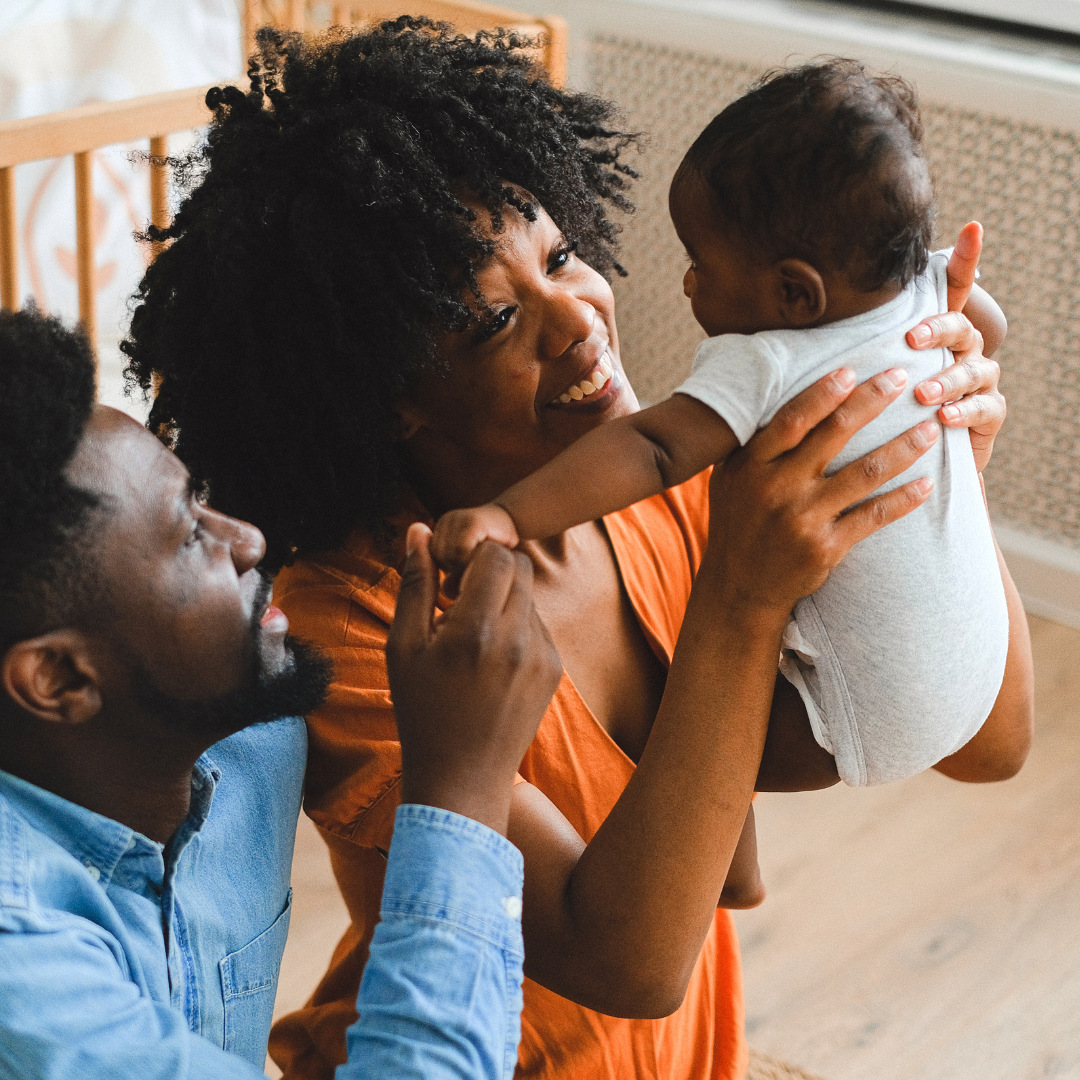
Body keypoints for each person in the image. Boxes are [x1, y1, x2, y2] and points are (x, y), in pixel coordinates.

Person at [120, 21, 1032, 1080]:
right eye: (495, 322)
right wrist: (738, 600)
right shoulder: (355, 630)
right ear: (388, 400)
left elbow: (988, 743)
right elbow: (632, 962)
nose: (580, 319)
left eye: (560, 258)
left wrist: (944, 468)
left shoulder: (649, 484)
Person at [431, 60, 1025, 795]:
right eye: (498, 317)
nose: (687, 283)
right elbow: (986, 324)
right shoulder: (925, 289)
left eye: (699, 263)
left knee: (690, 750)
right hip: (977, 657)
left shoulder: (769, 360)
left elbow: (653, 447)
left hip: (860, 713)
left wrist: (502, 516)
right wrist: (958, 355)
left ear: (793, 293)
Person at [0, 305, 563, 1079]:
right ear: (59, 678)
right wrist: (462, 786)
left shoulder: (252, 745)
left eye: (203, 498)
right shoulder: (20, 963)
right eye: (189, 534)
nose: (248, 541)